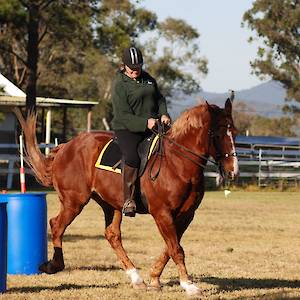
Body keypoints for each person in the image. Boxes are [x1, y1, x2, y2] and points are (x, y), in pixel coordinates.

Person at [111, 46, 171, 217]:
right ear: (124, 65)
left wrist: (164, 113)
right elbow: (123, 115)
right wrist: (146, 122)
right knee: (132, 156)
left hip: (153, 127)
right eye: (132, 68)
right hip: (127, 129)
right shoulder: (119, 85)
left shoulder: (149, 79)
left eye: (138, 67)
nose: (136, 70)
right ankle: (129, 200)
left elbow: (159, 99)